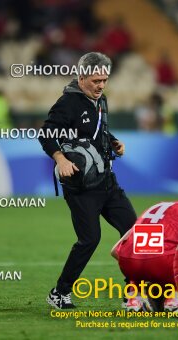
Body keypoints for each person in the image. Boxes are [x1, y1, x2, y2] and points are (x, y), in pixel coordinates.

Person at [39, 52, 137, 309]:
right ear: (81, 78)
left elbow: (97, 130)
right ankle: (59, 293)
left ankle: (133, 293)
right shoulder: (67, 103)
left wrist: (113, 141)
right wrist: (60, 159)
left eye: (104, 80)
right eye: (96, 80)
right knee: (90, 239)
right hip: (81, 187)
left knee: (134, 232)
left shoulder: (101, 100)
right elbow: (46, 135)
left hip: (107, 182)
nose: (101, 85)